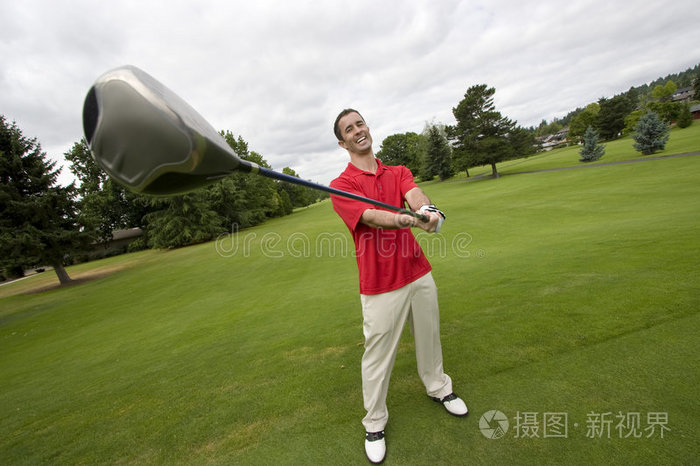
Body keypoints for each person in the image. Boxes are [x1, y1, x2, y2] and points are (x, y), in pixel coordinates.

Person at [329, 109, 468, 464]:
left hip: (417, 271)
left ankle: (439, 388)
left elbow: (415, 193)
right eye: (349, 129)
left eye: (360, 123)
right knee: (377, 356)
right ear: (342, 142)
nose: (358, 131)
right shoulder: (341, 186)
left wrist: (428, 210)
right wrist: (407, 220)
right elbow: (373, 217)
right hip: (380, 283)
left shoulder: (398, 171)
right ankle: (374, 422)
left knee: (429, 335)